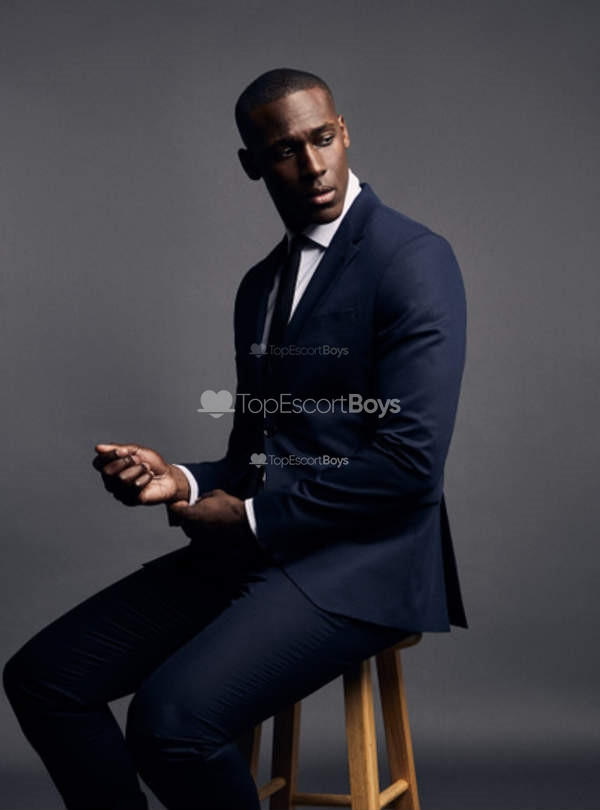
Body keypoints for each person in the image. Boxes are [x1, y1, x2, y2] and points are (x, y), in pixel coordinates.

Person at [3, 68, 468, 810]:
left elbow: (409, 468)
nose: (312, 165)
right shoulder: (261, 286)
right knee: (44, 678)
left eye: (322, 138)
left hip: (366, 562)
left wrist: (249, 518)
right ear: (254, 164)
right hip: (265, 547)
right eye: (285, 151)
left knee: (170, 725)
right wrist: (181, 479)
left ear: (344, 132)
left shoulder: (413, 259)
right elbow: (263, 451)